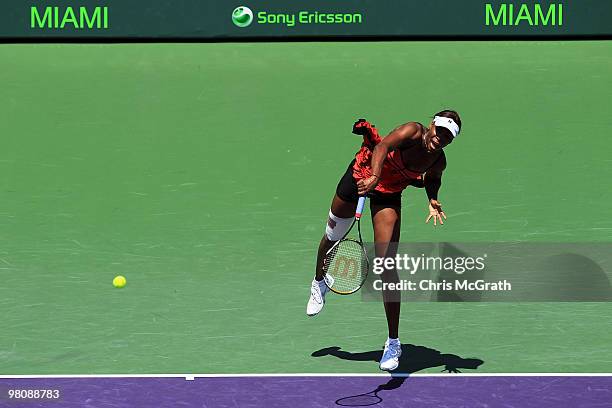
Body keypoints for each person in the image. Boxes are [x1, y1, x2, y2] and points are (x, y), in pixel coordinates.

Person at [306, 110, 462, 371]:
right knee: (332, 236)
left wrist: (432, 199)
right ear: (432, 124)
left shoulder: (438, 161)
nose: (441, 138)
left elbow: (433, 180)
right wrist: (374, 176)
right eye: (441, 130)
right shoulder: (413, 131)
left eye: (448, 136)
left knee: (387, 266)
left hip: (387, 194)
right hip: (362, 175)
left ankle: (393, 343)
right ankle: (320, 281)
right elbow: (383, 146)